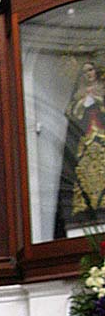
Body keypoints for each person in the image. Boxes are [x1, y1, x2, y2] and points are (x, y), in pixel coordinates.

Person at [54, 60, 105, 238]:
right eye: (85, 71)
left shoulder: (102, 91)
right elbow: (72, 117)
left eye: (91, 70)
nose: (89, 74)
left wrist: (97, 101)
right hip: (85, 145)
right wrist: (84, 104)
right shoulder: (78, 97)